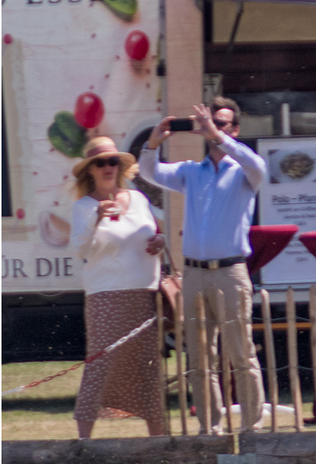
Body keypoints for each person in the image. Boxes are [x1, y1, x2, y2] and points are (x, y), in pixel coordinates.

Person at [139, 98, 267, 433]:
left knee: (241, 353)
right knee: (198, 358)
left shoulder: (244, 172)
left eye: (222, 124)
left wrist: (222, 139)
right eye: (211, 123)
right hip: (194, 273)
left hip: (230, 271)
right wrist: (153, 143)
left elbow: (260, 167)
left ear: (235, 130)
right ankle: (210, 429)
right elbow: (149, 172)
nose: (214, 129)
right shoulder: (190, 172)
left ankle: (251, 428)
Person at [69, 136, 168, 438]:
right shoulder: (84, 207)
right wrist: (97, 219)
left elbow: (154, 235)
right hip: (106, 296)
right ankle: (83, 444)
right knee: (100, 366)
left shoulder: (138, 199)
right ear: (90, 171)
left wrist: (160, 242)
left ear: (121, 166)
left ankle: (160, 443)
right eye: (100, 163)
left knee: (148, 369)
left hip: (145, 294)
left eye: (113, 161)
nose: (108, 167)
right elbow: (80, 249)